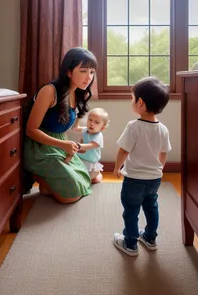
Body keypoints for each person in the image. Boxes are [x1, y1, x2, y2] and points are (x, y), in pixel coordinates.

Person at [24, 47, 97, 204]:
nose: (89, 77)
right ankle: (34, 174)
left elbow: (68, 127)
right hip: (38, 146)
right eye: (83, 71)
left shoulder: (77, 93)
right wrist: (63, 144)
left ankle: (48, 185)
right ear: (69, 72)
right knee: (70, 196)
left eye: (91, 72)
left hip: (57, 144)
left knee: (88, 178)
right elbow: (31, 130)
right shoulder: (49, 91)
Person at [113, 77, 171, 256]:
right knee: (151, 208)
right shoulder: (163, 128)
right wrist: (158, 168)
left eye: (132, 98)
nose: (132, 101)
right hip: (154, 179)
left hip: (134, 179)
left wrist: (116, 168)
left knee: (131, 211)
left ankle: (130, 244)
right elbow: (164, 152)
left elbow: (123, 151)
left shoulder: (134, 126)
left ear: (140, 102)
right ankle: (150, 238)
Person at [65, 107, 110, 183]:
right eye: (90, 120)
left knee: (89, 179)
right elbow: (74, 129)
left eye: (96, 122)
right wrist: (78, 118)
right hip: (81, 159)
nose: (92, 123)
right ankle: (94, 177)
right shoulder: (85, 130)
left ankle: (98, 174)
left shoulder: (98, 136)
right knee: (79, 175)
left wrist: (79, 146)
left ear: (102, 128)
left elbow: (91, 145)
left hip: (91, 163)